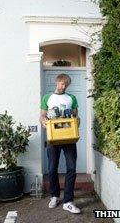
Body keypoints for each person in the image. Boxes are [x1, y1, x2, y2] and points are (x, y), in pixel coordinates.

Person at [40, 73, 81, 214]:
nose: (64, 86)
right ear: (57, 82)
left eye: (66, 84)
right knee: (52, 169)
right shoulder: (47, 98)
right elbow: (42, 115)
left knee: (71, 168)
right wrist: (44, 121)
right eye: (62, 83)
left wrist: (76, 122)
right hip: (53, 138)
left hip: (69, 138)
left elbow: (76, 117)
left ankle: (68, 201)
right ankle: (55, 196)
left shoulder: (72, 98)